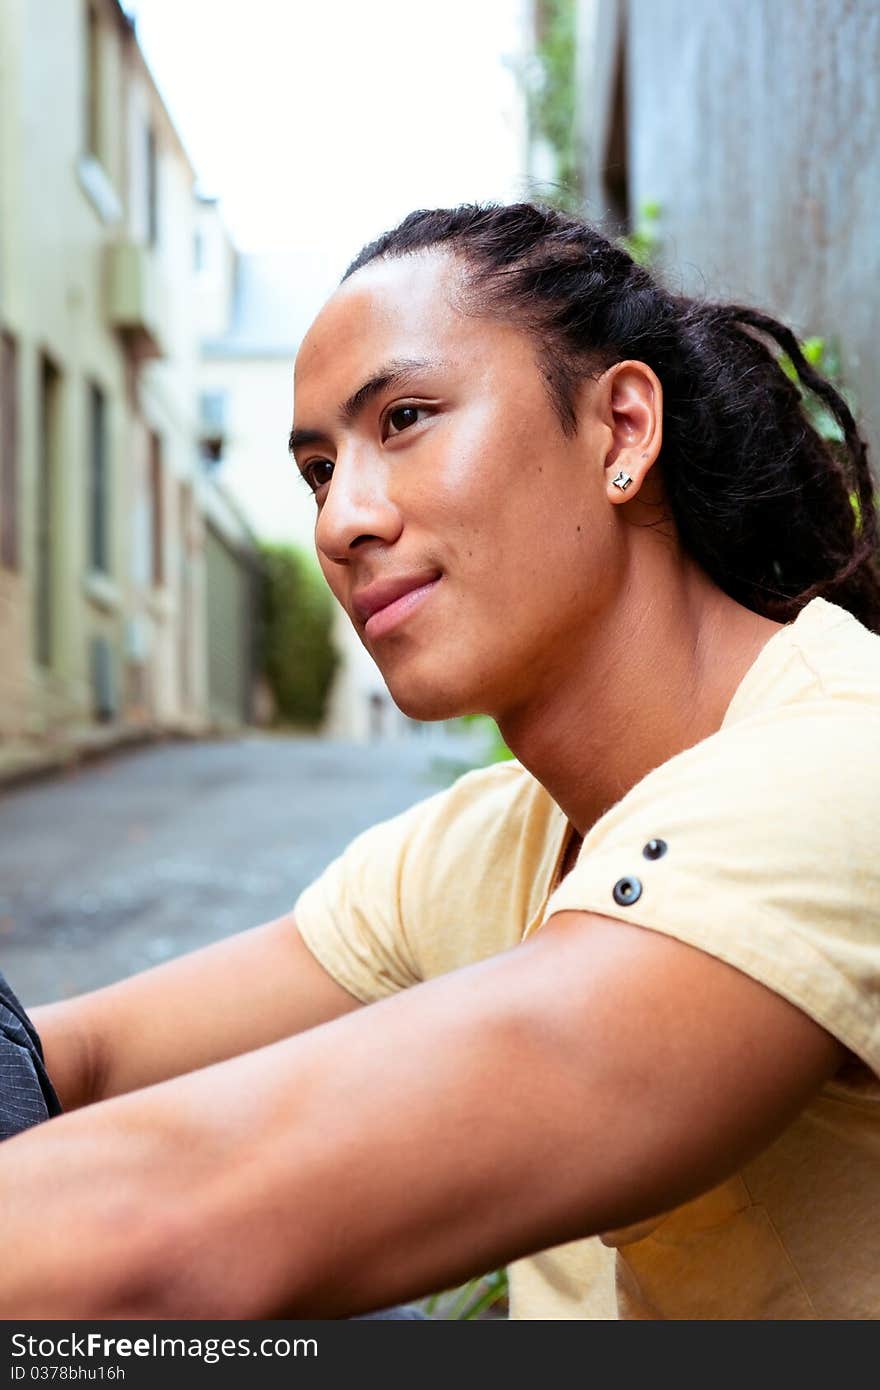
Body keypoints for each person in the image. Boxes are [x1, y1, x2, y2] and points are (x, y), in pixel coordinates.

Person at [2, 201, 879, 1320]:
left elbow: (165, 1225)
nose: (340, 521)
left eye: (405, 418)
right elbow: (75, 1060)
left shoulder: (836, 765)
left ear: (619, 430)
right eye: (318, 470)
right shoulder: (483, 842)